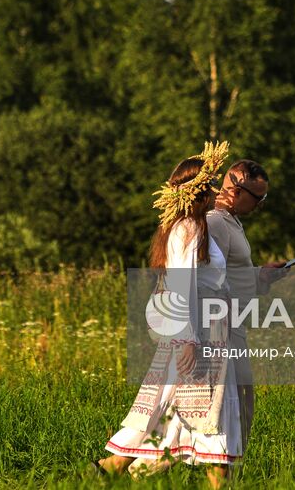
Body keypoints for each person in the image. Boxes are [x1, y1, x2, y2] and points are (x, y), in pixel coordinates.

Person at [97, 143, 242, 486]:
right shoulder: (188, 229)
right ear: (200, 192)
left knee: (173, 401)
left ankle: (115, 466)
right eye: (211, 187)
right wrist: (187, 340)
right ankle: (118, 466)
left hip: (209, 327)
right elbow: (181, 285)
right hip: (199, 330)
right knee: (208, 406)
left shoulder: (195, 228)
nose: (216, 193)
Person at [207, 159, 287, 455]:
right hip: (220, 327)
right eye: (259, 198)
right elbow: (207, 277)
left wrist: (261, 275)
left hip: (233, 325)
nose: (261, 205)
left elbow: (232, 274)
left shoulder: (232, 222)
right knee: (236, 404)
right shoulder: (216, 223)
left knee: (239, 402)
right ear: (238, 192)